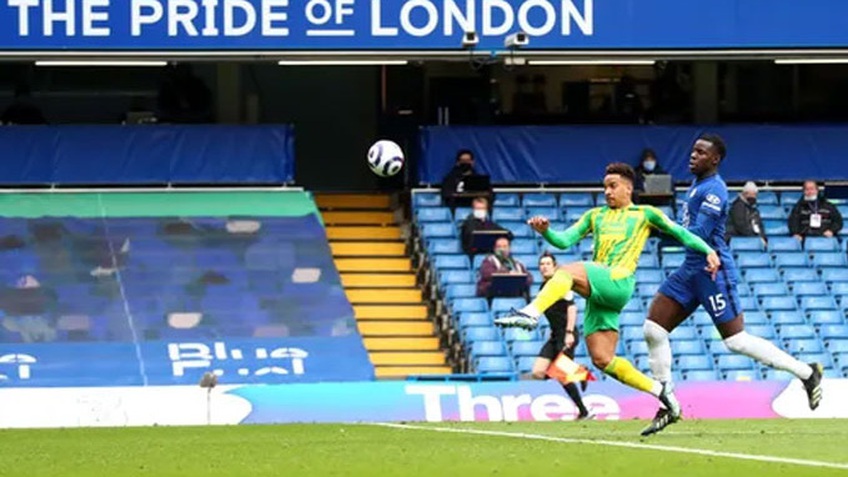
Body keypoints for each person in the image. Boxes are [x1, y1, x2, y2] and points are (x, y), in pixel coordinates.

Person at [494, 163, 721, 433]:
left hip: (618, 281)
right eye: (605, 187)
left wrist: (707, 249)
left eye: (613, 186)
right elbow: (564, 241)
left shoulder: (644, 214)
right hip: (598, 292)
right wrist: (546, 232)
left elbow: (681, 233)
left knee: (565, 271)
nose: (607, 192)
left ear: (628, 187)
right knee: (603, 359)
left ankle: (531, 313)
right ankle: (662, 393)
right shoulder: (595, 216)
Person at [642, 134, 823, 437]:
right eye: (693, 150)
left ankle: (807, 374)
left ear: (715, 160)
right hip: (691, 269)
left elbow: (699, 231)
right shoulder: (697, 185)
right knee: (653, 330)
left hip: (714, 272)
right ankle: (668, 403)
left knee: (735, 341)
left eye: (701, 152)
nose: (693, 155)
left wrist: (657, 224)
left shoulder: (715, 190)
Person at [531, 252, 591, 420]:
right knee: (538, 372)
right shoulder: (543, 287)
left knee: (560, 373)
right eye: (541, 264)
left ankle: (583, 411)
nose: (544, 267)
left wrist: (569, 332)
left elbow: (572, 308)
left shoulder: (560, 283)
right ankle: (580, 372)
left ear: (554, 266)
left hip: (567, 334)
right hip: (555, 335)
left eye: (547, 263)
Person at [726, 181, 767, 246]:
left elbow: (759, 226)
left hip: (751, 240)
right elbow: (741, 226)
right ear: (745, 194)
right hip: (737, 240)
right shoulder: (737, 207)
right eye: (751, 194)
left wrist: (763, 238)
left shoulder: (754, 210)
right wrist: (756, 239)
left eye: (755, 195)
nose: (754, 197)